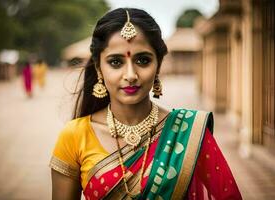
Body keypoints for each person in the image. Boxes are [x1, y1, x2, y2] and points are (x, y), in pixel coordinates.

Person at [49, 8, 242, 200]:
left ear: (158, 65)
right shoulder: (75, 135)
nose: (131, 75)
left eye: (143, 60)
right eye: (116, 62)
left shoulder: (189, 132)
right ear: (99, 69)